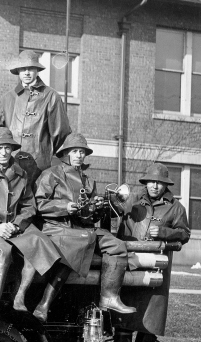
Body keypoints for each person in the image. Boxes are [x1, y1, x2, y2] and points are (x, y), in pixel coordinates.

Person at [35, 133, 135, 323]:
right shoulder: (51, 174)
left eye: (82, 152)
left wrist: (97, 208)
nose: (79, 155)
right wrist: (65, 207)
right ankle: (43, 305)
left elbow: (89, 217)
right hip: (57, 227)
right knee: (76, 245)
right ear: (66, 153)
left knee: (117, 245)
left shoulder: (88, 181)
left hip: (82, 229)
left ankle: (109, 297)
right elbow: (39, 204)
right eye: (75, 151)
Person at [0, 127, 64, 324]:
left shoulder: (21, 174)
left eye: (7, 148)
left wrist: (16, 224)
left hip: (14, 226)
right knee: (3, 251)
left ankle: (19, 295)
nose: (4, 152)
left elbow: (29, 206)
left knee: (37, 241)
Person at [112, 163, 190, 342]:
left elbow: (184, 234)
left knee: (151, 320)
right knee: (124, 316)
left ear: (166, 185)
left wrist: (165, 232)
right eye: (151, 182)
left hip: (158, 267)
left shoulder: (176, 208)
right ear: (146, 183)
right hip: (132, 264)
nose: (155, 186)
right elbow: (117, 220)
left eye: (159, 183)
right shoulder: (133, 201)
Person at [0, 50, 71, 173]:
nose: (26, 72)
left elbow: (61, 132)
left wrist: (45, 151)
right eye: (23, 68)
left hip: (40, 165)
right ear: (18, 70)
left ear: (37, 70)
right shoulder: (8, 98)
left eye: (31, 68)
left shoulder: (51, 96)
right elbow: (1, 133)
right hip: (11, 164)